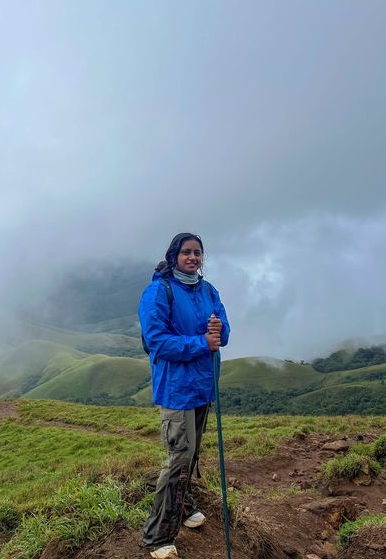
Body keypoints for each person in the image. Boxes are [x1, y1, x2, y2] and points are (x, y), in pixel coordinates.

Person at [138, 232, 230, 559]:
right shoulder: (158, 292)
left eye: (197, 253)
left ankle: (185, 503)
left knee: (191, 454)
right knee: (179, 457)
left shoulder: (208, 290)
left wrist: (219, 332)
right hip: (176, 388)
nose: (193, 257)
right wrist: (202, 343)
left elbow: (224, 332)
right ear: (174, 255)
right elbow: (157, 342)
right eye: (186, 252)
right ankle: (158, 536)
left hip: (204, 385)